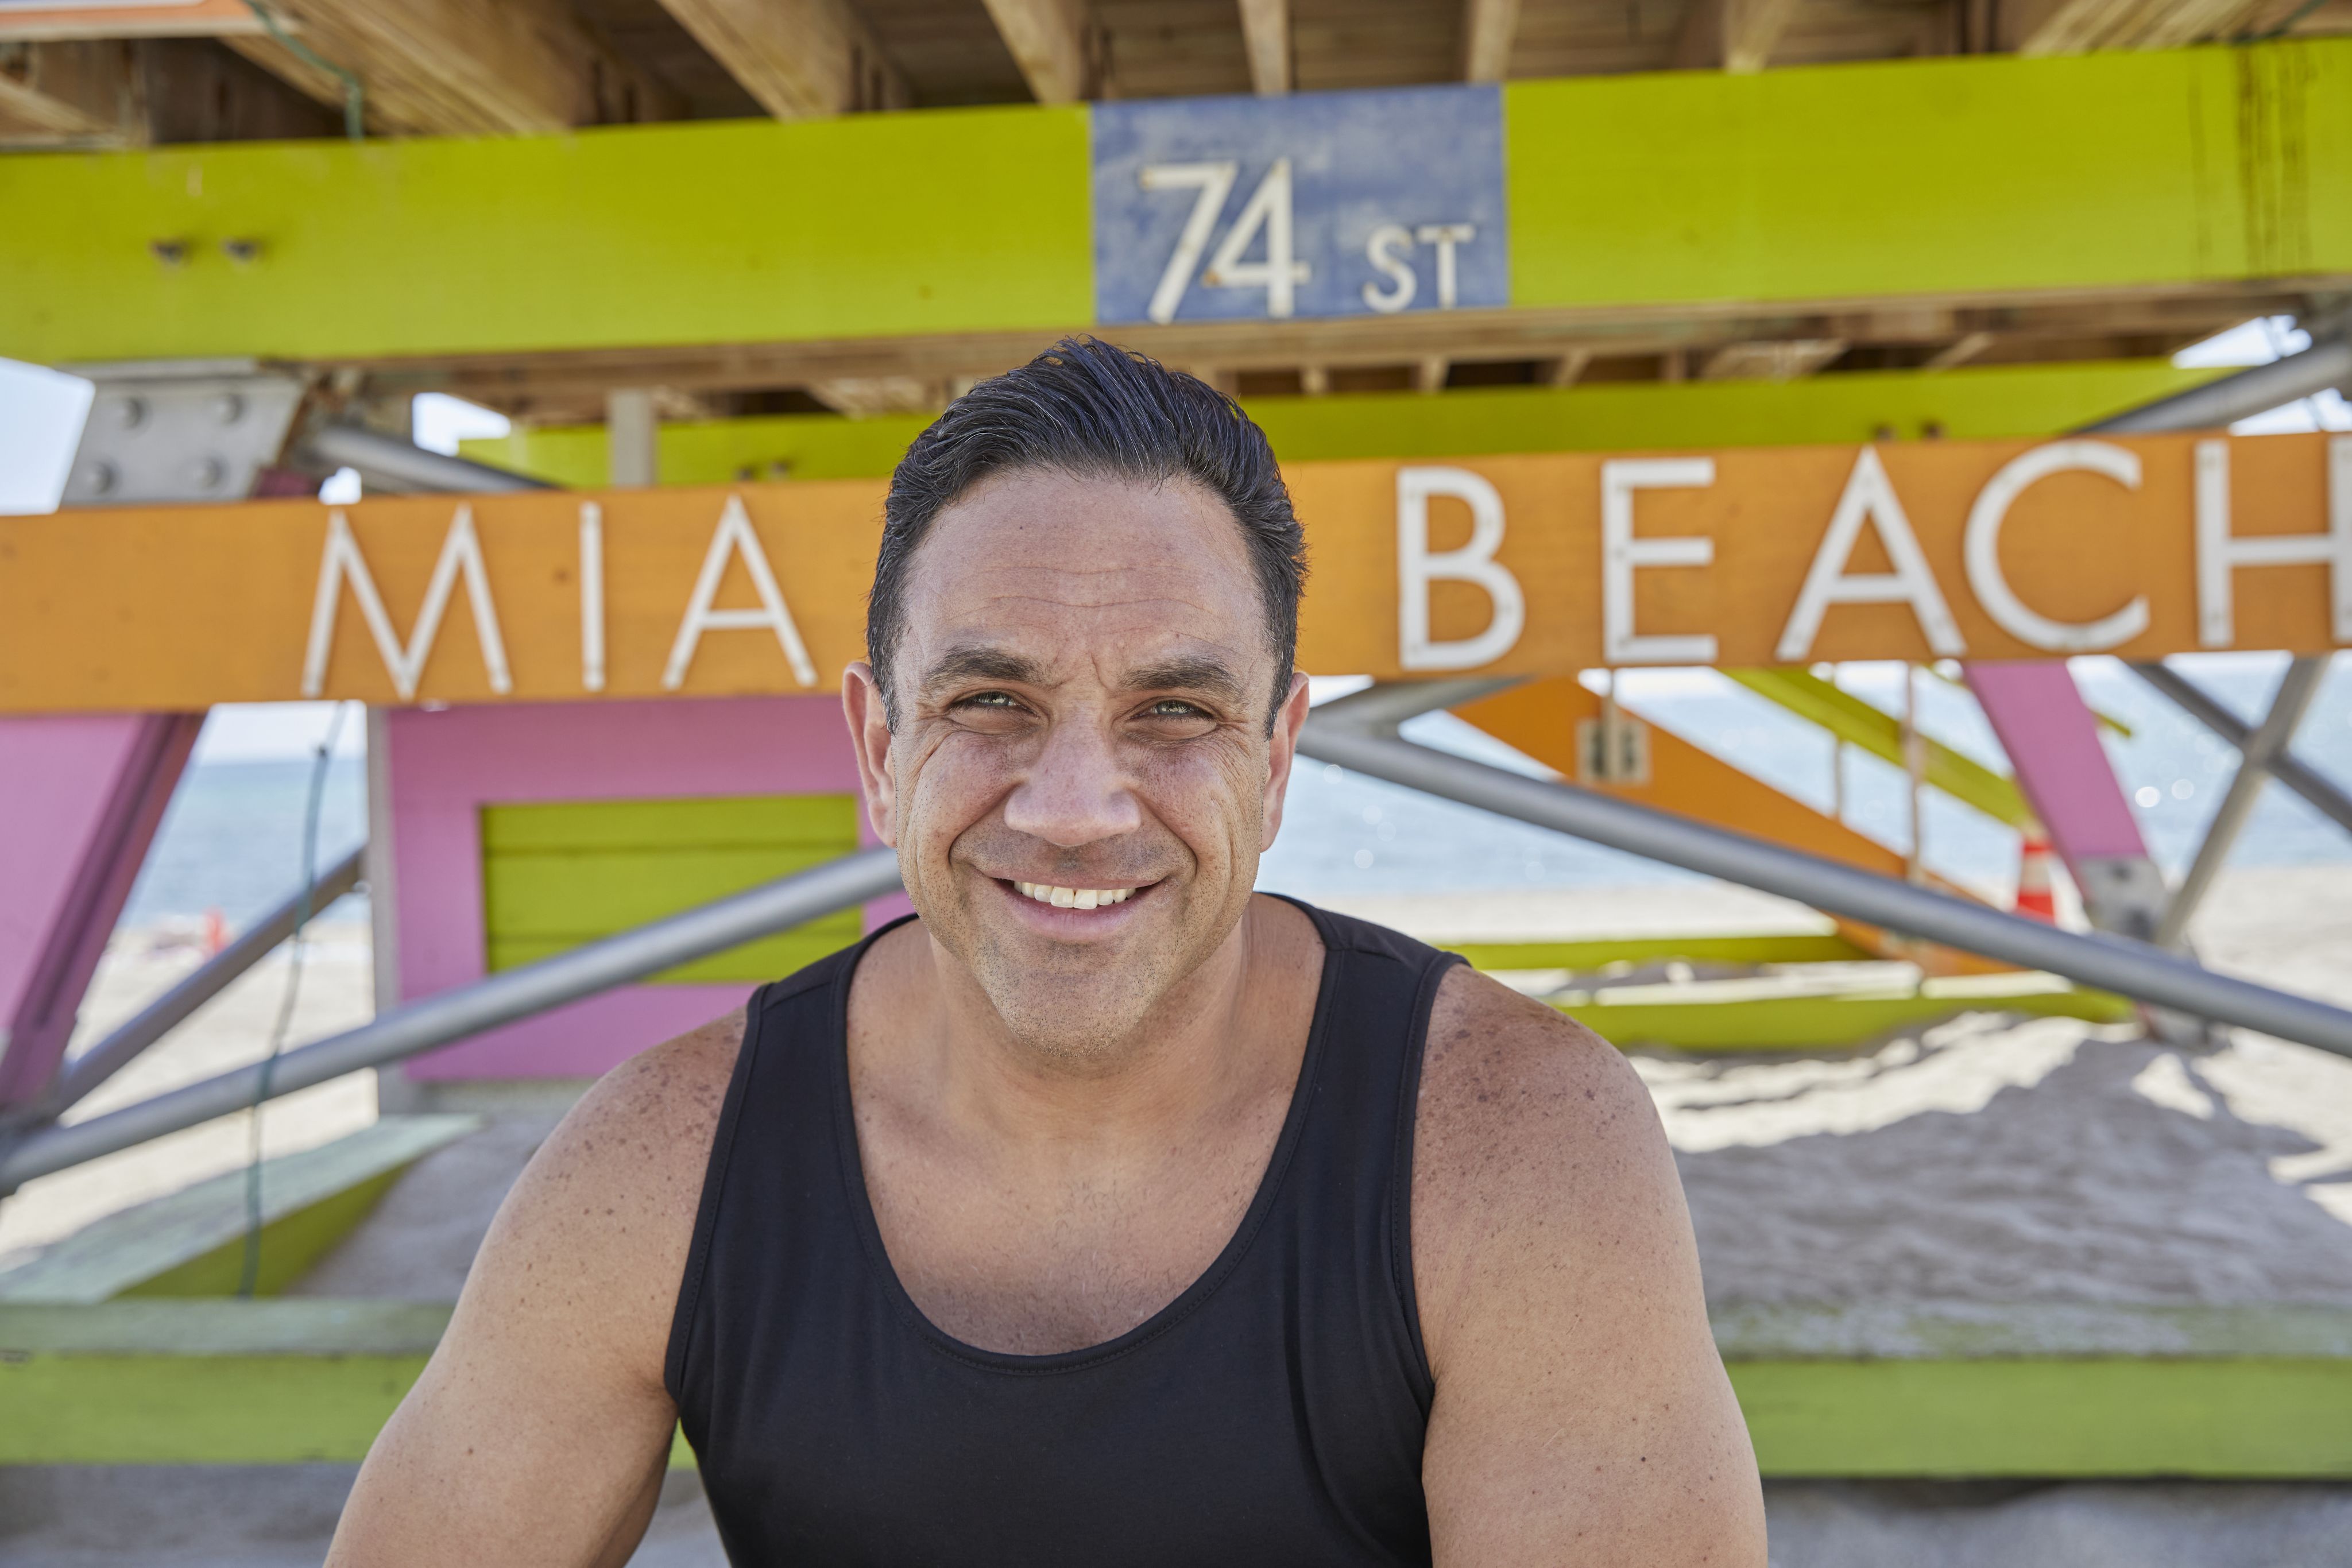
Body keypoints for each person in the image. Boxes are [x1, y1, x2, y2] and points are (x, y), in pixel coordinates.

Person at [326, 338, 1765, 1567]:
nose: (1075, 808)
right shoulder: (660, 1166)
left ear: (1275, 758)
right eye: (990, 702)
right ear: (879, 746)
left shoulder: (1511, 1146)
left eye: (1174, 712)